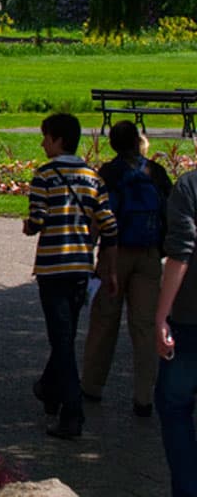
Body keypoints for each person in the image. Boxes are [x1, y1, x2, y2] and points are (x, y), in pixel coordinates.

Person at [23, 113, 118, 439]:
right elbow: (109, 225)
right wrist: (109, 267)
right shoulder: (93, 176)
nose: (42, 142)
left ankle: (72, 411)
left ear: (58, 139)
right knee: (65, 336)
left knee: (61, 340)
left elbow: (37, 218)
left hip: (52, 267)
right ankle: (49, 389)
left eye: (45, 137)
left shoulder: (44, 175)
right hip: (80, 265)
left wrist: (29, 226)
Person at [82, 121, 172, 417]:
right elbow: (168, 213)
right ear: (137, 141)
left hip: (115, 253)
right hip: (148, 254)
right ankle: (144, 396)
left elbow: (98, 216)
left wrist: (92, 250)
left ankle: (92, 385)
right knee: (145, 326)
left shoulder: (108, 173)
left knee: (104, 321)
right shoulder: (156, 173)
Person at [156, 168, 197, 496]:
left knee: (174, 405)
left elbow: (180, 251)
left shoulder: (189, 186)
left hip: (189, 317)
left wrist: (161, 314)